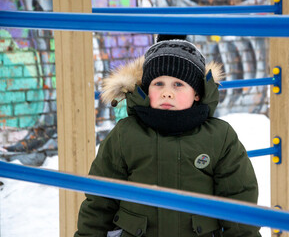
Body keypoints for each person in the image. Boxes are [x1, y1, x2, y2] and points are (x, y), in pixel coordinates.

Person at [75, 35, 261, 237]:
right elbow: (100, 200)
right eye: (159, 84)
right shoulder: (126, 134)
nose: (167, 93)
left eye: (178, 84)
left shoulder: (220, 136)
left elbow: (239, 201)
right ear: (147, 89)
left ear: (197, 93)